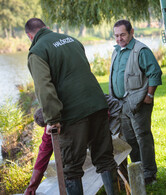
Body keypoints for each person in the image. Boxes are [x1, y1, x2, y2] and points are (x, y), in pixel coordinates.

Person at [25, 18, 118, 195]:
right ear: (47, 28)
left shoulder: (37, 52)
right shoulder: (72, 40)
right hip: (98, 104)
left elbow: (44, 88)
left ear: (30, 36)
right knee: (105, 159)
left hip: (73, 114)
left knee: (71, 168)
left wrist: (53, 119)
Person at [109, 19, 162, 185]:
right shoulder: (116, 51)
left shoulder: (141, 50)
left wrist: (150, 96)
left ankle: (149, 174)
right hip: (121, 104)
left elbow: (155, 73)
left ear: (131, 33)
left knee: (143, 137)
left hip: (139, 102)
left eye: (122, 34)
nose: (119, 39)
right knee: (130, 140)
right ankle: (138, 171)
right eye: (116, 35)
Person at [24, 109, 52, 195]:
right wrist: (32, 186)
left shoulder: (50, 129)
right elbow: (42, 156)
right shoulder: (48, 133)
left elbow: (42, 157)